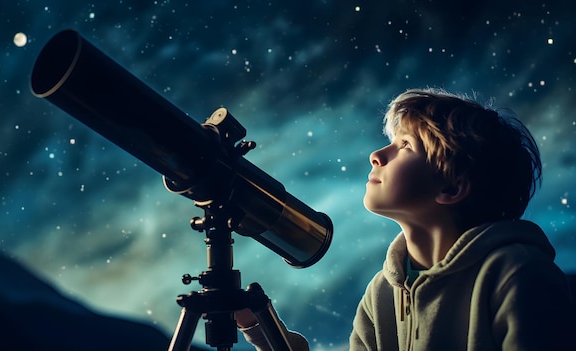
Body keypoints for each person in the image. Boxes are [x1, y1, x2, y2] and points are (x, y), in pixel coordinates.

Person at [236, 88, 576, 350]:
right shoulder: (382, 291)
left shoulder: (516, 275)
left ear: (452, 187)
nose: (377, 155)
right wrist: (267, 334)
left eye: (405, 145)